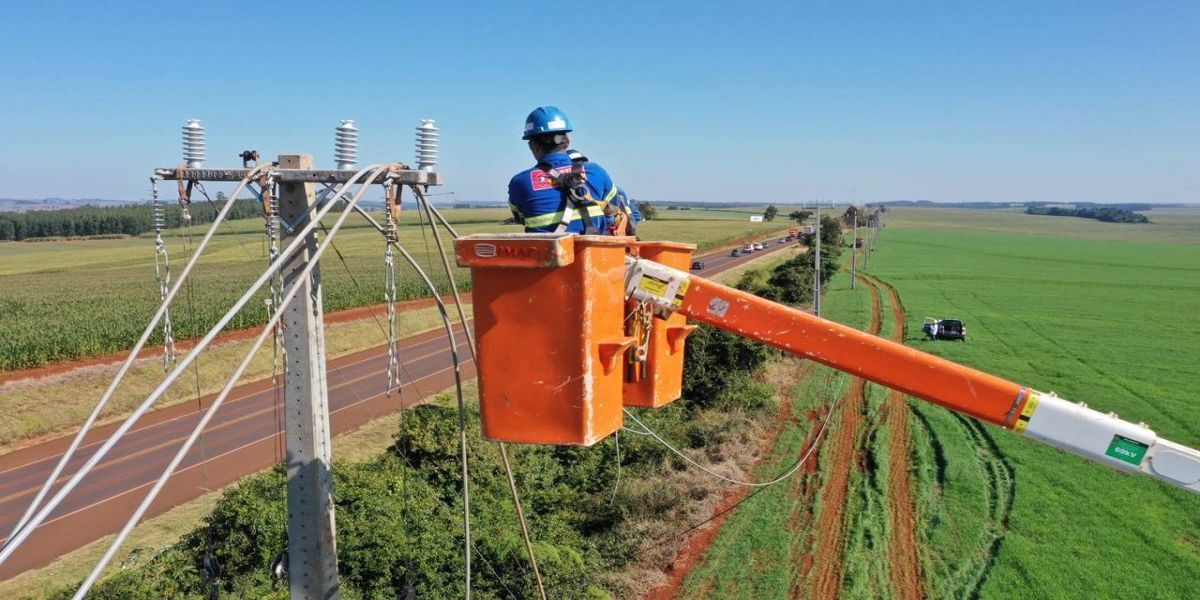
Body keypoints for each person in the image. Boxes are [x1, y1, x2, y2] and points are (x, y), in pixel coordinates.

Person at [507, 106, 624, 235]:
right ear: (567, 141)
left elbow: (521, 218)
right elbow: (613, 210)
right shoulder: (597, 172)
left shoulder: (520, 182)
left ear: (533, 146)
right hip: (594, 253)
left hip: (547, 254)